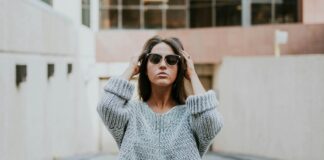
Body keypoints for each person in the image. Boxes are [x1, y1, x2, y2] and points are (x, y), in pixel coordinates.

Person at [97, 36, 223, 160]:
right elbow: (107, 107)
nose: (163, 65)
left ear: (179, 68)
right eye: (155, 59)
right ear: (145, 68)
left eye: (171, 60)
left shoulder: (191, 116)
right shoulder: (132, 113)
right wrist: (130, 68)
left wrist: (192, 74)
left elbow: (210, 121)